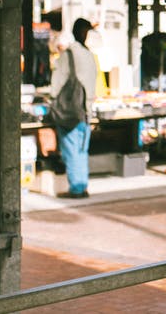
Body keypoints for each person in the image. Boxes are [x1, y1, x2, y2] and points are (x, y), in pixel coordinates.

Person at [50, 18, 99, 199]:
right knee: (81, 150)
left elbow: (57, 83)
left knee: (71, 150)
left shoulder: (69, 54)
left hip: (71, 111)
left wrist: (53, 100)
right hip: (86, 111)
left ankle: (77, 188)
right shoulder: (89, 55)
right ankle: (82, 186)